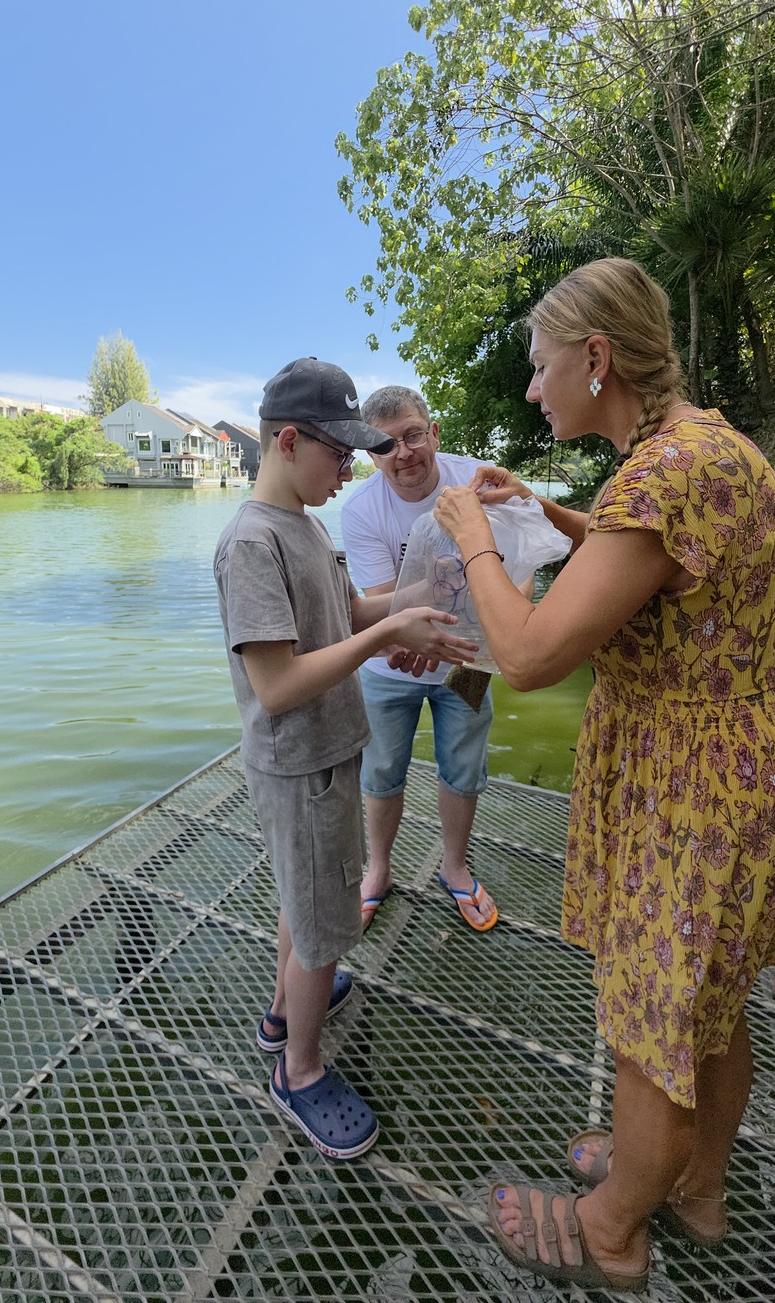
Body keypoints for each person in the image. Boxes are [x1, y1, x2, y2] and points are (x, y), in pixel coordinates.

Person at [434, 258, 775, 1292]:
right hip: (729, 770)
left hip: (684, 791)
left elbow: (530, 655)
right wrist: (553, 514)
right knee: (706, 1007)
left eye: (541, 366)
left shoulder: (661, 472)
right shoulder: (706, 448)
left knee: (649, 1027)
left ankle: (611, 1229)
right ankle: (694, 1186)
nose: (531, 387)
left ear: (595, 358)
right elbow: (660, 566)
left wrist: (476, 542)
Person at [214, 357, 477, 1161]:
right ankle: (298, 1070)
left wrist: (415, 596)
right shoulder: (253, 542)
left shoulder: (303, 521)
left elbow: (348, 613)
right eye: (341, 453)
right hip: (301, 764)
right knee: (323, 926)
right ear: (289, 442)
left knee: (306, 902)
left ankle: (283, 1010)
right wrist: (387, 635)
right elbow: (277, 685)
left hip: (329, 754)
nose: (352, 470)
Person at [340, 385, 502, 934]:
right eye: (385, 445)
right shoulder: (362, 509)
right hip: (392, 665)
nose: (403, 453)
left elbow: (517, 564)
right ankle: (379, 869)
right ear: (370, 455)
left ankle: (454, 866)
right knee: (382, 767)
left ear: (433, 433)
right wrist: (453, 588)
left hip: (470, 657)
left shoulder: (476, 481)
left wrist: (509, 630)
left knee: (464, 761)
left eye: (413, 435)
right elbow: (388, 605)